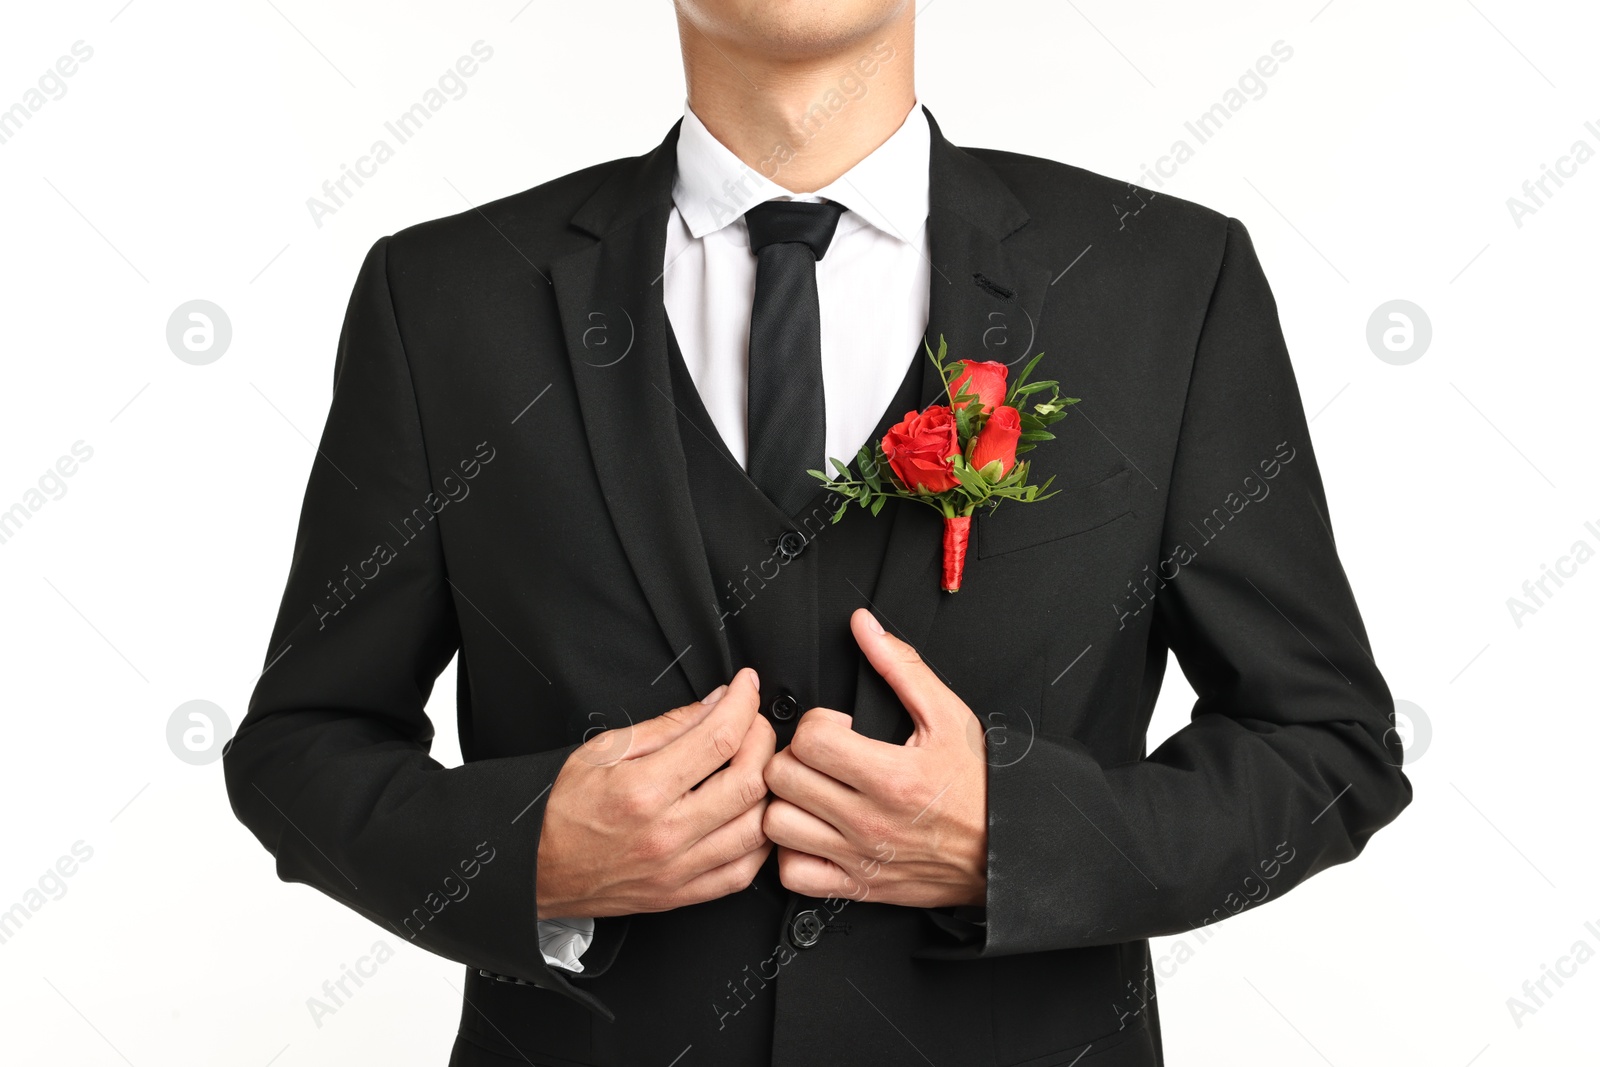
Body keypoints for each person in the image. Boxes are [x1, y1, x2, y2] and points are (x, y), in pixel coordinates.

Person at [224, 3, 1412, 1064]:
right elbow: (298, 749)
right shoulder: (443, 298)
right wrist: (530, 854)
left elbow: (1326, 745)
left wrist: (1021, 838)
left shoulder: (1165, 278)